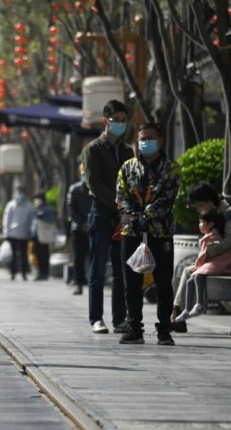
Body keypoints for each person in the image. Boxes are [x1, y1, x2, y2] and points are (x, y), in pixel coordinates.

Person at [117, 122, 181, 346]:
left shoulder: (171, 168)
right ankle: (134, 327)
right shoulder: (127, 167)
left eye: (149, 138)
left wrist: (149, 214)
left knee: (163, 282)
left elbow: (168, 197)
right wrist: (133, 215)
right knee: (131, 283)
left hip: (160, 232)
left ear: (160, 141)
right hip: (131, 231)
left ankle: (164, 329)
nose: (144, 143)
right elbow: (121, 196)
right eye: (141, 139)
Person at [171, 182, 231, 330]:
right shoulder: (217, 213)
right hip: (225, 258)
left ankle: (178, 315)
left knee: (190, 271)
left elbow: (229, 241)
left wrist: (208, 252)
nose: (198, 210)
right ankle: (176, 313)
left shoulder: (229, 215)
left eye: (199, 205)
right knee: (187, 271)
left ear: (209, 201)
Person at [81, 99, 134, 334]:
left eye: (124, 121)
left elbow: (132, 180)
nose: (121, 124)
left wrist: (128, 206)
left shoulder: (126, 150)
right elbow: (94, 184)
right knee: (98, 268)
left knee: (122, 268)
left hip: (123, 215)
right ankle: (96, 318)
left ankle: (119, 318)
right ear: (105, 121)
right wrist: (116, 203)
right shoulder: (93, 149)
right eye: (116, 121)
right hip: (101, 213)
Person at [174, 211, 231, 322]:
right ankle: (187, 310)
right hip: (212, 263)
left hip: (219, 264)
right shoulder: (209, 236)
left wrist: (198, 265)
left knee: (197, 276)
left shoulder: (213, 236)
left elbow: (204, 256)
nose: (199, 225)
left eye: (201, 222)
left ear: (210, 224)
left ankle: (199, 304)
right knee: (189, 281)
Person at [67, 165, 91, 295]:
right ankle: (78, 283)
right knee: (78, 259)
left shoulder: (95, 189)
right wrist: (82, 223)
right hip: (78, 230)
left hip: (94, 228)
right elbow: (71, 210)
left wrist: (91, 222)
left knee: (94, 258)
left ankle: (94, 282)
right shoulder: (74, 189)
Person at [2, 186, 34, 280]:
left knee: (24, 254)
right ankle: (13, 273)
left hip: (24, 234)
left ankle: (24, 273)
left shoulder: (28, 206)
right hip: (13, 234)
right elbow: (6, 219)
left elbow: (31, 220)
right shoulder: (11, 205)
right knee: (14, 254)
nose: (20, 195)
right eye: (18, 192)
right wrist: (6, 232)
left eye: (21, 193)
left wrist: (30, 233)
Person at [31, 192, 56, 281]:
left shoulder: (47, 209)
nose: (36, 201)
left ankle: (45, 273)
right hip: (36, 235)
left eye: (38, 199)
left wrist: (43, 217)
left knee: (44, 255)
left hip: (44, 236)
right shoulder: (35, 208)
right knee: (37, 254)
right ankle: (40, 272)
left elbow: (52, 220)